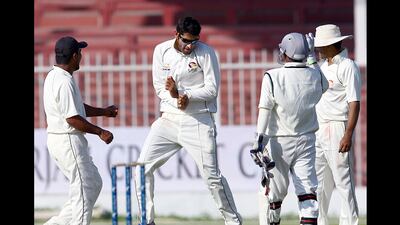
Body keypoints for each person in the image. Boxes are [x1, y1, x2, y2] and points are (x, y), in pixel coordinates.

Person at [135, 16, 243, 225]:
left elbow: (212, 89)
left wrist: (187, 96)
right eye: (186, 41)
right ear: (176, 35)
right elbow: (160, 87)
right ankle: (146, 221)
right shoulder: (161, 51)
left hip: (199, 120)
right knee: (142, 167)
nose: (190, 46)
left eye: (194, 41)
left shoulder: (206, 52)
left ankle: (233, 221)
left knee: (212, 177)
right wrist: (177, 99)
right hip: (169, 119)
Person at [250, 32, 328, 225]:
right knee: (307, 193)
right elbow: (324, 85)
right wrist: (311, 57)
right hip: (307, 141)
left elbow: (265, 110)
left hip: (279, 142)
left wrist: (258, 141)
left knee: (274, 195)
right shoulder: (316, 74)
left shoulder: (272, 76)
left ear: (285, 53)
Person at [43, 36, 118, 225]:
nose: (82, 57)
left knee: (92, 184)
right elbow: (72, 118)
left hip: (59, 139)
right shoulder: (64, 82)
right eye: (81, 53)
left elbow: (76, 108)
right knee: (83, 190)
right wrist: (100, 132)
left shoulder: (54, 76)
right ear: (75, 56)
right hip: (68, 140)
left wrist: (104, 112)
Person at [306, 24, 361, 225]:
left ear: (332, 44)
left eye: (321, 46)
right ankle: (319, 222)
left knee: (343, 182)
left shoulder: (348, 66)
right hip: (319, 128)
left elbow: (354, 102)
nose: (318, 49)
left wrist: (348, 133)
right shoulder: (322, 65)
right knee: (320, 183)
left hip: (338, 127)